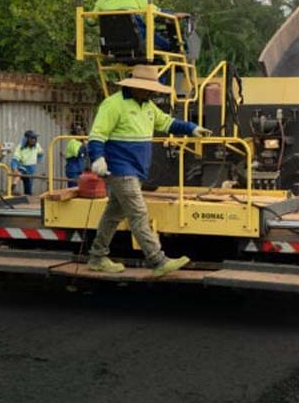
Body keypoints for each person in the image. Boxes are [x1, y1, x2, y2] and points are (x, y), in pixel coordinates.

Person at [87, 65, 212, 276]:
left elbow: (167, 122)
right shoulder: (113, 105)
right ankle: (157, 260)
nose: (151, 92)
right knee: (138, 213)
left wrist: (191, 128)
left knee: (112, 215)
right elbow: (97, 134)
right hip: (120, 168)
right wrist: (97, 157)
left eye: (152, 89)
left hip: (136, 169)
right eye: (147, 88)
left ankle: (97, 257)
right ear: (134, 86)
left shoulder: (148, 106)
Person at [92, 0, 177, 51]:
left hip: (110, 42)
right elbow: (156, 12)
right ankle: (170, 47)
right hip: (133, 38)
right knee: (148, 32)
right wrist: (171, 15)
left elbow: (90, 21)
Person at [10, 130, 44, 195]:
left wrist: (38, 160)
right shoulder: (20, 147)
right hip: (23, 166)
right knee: (19, 173)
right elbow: (15, 159)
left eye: (35, 138)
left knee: (28, 188)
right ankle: (12, 188)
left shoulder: (37, 145)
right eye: (31, 138)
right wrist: (14, 168)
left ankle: (28, 196)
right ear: (26, 139)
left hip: (31, 169)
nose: (33, 140)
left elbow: (41, 153)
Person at [64, 123, 87, 188]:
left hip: (81, 168)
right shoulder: (72, 141)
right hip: (73, 169)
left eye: (82, 130)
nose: (81, 132)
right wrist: (84, 146)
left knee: (81, 188)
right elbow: (77, 154)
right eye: (78, 130)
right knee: (73, 188)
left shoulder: (82, 142)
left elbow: (86, 155)